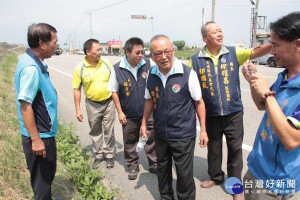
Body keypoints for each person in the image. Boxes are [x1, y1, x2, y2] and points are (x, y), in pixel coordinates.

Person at [189, 21, 272, 200]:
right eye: (214, 32)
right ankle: (215, 176)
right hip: (211, 114)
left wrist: (276, 43)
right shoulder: (195, 60)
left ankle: (235, 185)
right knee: (214, 147)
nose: (220, 33)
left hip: (233, 111)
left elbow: (256, 51)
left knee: (235, 149)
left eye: (221, 30)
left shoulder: (234, 52)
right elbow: (190, 87)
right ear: (205, 37)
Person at [140, 35, 208, 200]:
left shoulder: (187, 74)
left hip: (183, 134)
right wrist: (143, 123)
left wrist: (204, 130)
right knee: (162, 168)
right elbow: (149, 100)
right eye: (158, 54)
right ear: (152, 56)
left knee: (184, 174)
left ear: (173, 50)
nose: (163, 57)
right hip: (161, 133)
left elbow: (199, 102)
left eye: (167, 51)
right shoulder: (151, 74)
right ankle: (166, 197)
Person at [242, 11, 300, 200]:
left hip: (276, 180)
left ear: (298, 44)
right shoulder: (284, 76)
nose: (272, 52)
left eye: (276, 46)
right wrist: (254, 83)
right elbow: (263, 106)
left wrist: (266, 93)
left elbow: (291, 140)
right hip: (259, 170)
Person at [14, 23, 58, 200]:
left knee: (45, 176)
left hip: (41, 132)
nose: (56, 45)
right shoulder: (31, 68)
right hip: (39, 135)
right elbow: (25, 105)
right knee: (42, 182)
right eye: (54, 42)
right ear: (42, 43)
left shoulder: (31, 61)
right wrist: (36, 140)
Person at [107, 37, 157, 180]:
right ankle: (133, 166)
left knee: (151, 139)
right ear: (127, 52)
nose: (141, 55)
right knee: (130, 142)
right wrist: (120, 112)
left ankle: (154, 163)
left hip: (148, 113)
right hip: (129, 114)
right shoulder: (117, 69)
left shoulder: (149, 63)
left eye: (142, 52)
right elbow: (114, 91)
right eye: (137, 53)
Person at [72, 39, 116, 169]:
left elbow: (114, 84)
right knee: (95, 130)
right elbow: (77, 89)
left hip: (109, 102)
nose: (100, 52)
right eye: (97, 50)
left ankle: (109, 155)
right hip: (92, 104)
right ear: (88, 52)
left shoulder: (107, 63)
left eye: (100, 49)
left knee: (109, 129)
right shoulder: (80, 68)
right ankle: (98, 154)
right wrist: (77, 109)